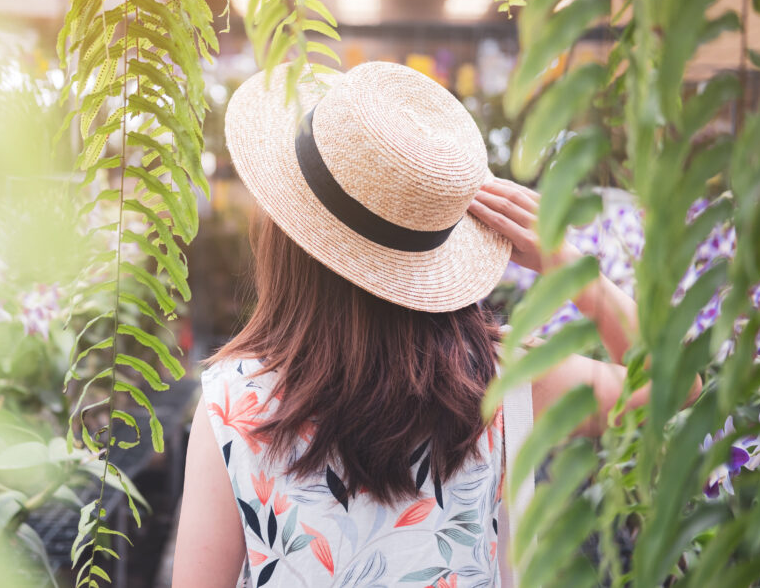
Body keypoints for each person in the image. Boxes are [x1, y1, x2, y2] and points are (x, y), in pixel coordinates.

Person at [171, 62, 700, 587]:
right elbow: (675, 385)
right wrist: (577, 275)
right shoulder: (501, 380)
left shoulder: (233, 404)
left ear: (287, 239)